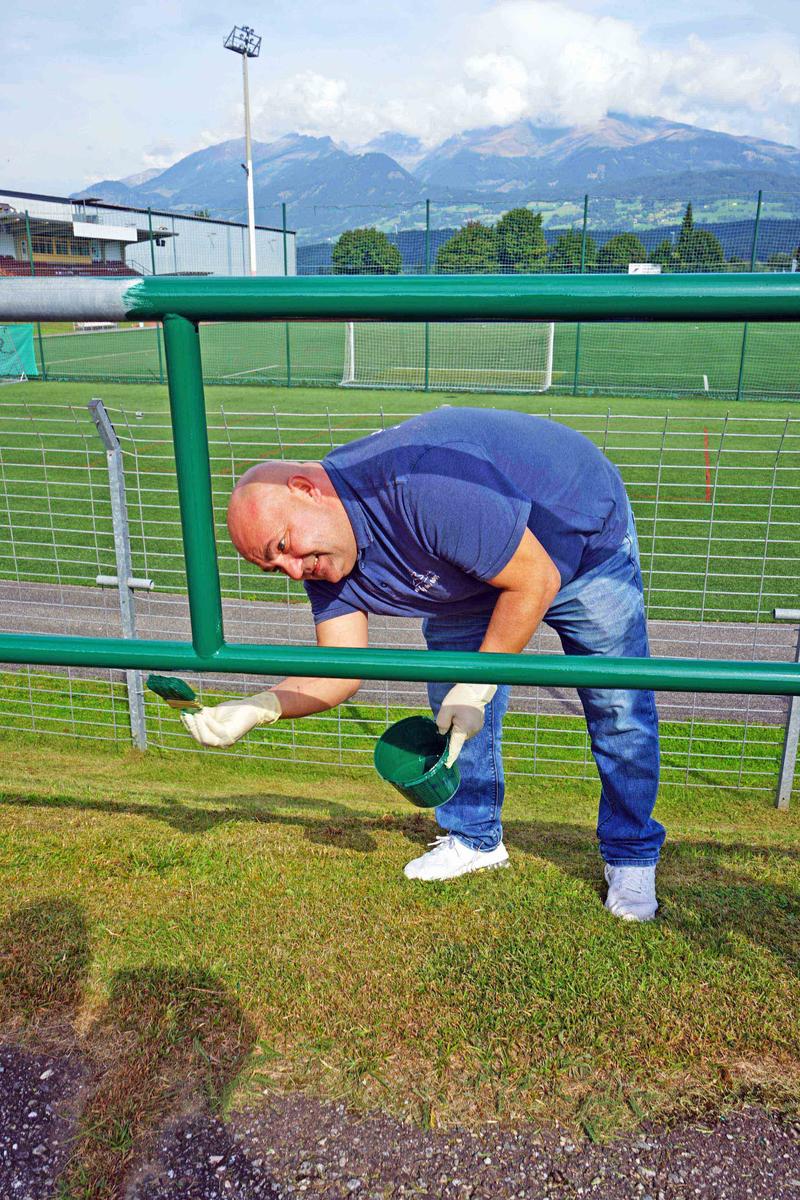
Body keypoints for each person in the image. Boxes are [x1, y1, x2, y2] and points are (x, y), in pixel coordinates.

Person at [182, 408, 663, 921]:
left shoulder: (418, 483)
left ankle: (630, 854)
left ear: (306, 489)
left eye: (283, 546)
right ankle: (474, 838)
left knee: (617, 705)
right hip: (466, 574)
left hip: (580, 539)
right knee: (451, 708)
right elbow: (340, 669)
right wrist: (261, 706)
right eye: (274, 568)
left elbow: (535, 579)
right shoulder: (321, 558)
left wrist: (478, 686)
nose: (295, 570)